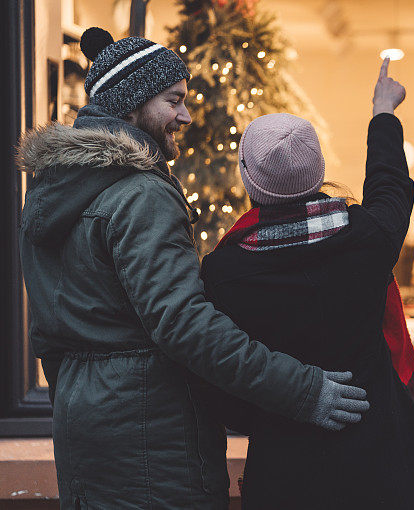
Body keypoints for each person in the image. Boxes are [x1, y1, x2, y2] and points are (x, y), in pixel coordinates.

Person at [16, 27, 368, 510]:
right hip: (150, 438)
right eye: (173, 100)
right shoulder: (140, 194)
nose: (185, 115)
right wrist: (302, 390)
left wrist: (85, 404)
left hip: (87, 431)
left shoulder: (52, 191)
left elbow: (47, 335)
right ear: (131, 103)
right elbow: (183, 324)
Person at [197, 58, 414, 509]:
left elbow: (225, 389)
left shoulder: (225, 272)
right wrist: (383, 112)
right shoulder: (367, 237)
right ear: (319, 170)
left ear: (247, 177)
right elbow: (389, 184)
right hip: (386, 467)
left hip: (287, 475)